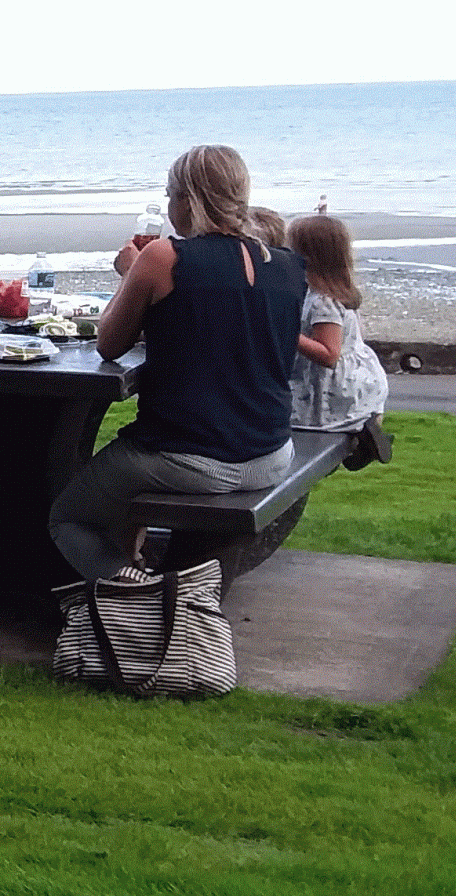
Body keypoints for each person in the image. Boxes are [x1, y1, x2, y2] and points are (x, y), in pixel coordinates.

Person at [49, 145, 305, 579]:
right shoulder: (287, 266)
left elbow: (108, 344)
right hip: (271, 450)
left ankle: (137, 596)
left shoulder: (164, 257)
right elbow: (224, 328)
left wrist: (132, 275)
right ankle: (142, 566)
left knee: (69, 517)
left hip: (188, 456)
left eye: (171, 196)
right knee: (122, 494)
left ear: (188, 200)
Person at [284, 212, 388, 435]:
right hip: (356, 377)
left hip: (330, 388)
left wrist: (286, 333)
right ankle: (364, 433)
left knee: (311, 429)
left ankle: (359, 440)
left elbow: (329, 354)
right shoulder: (335, 291)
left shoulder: (323, 301)